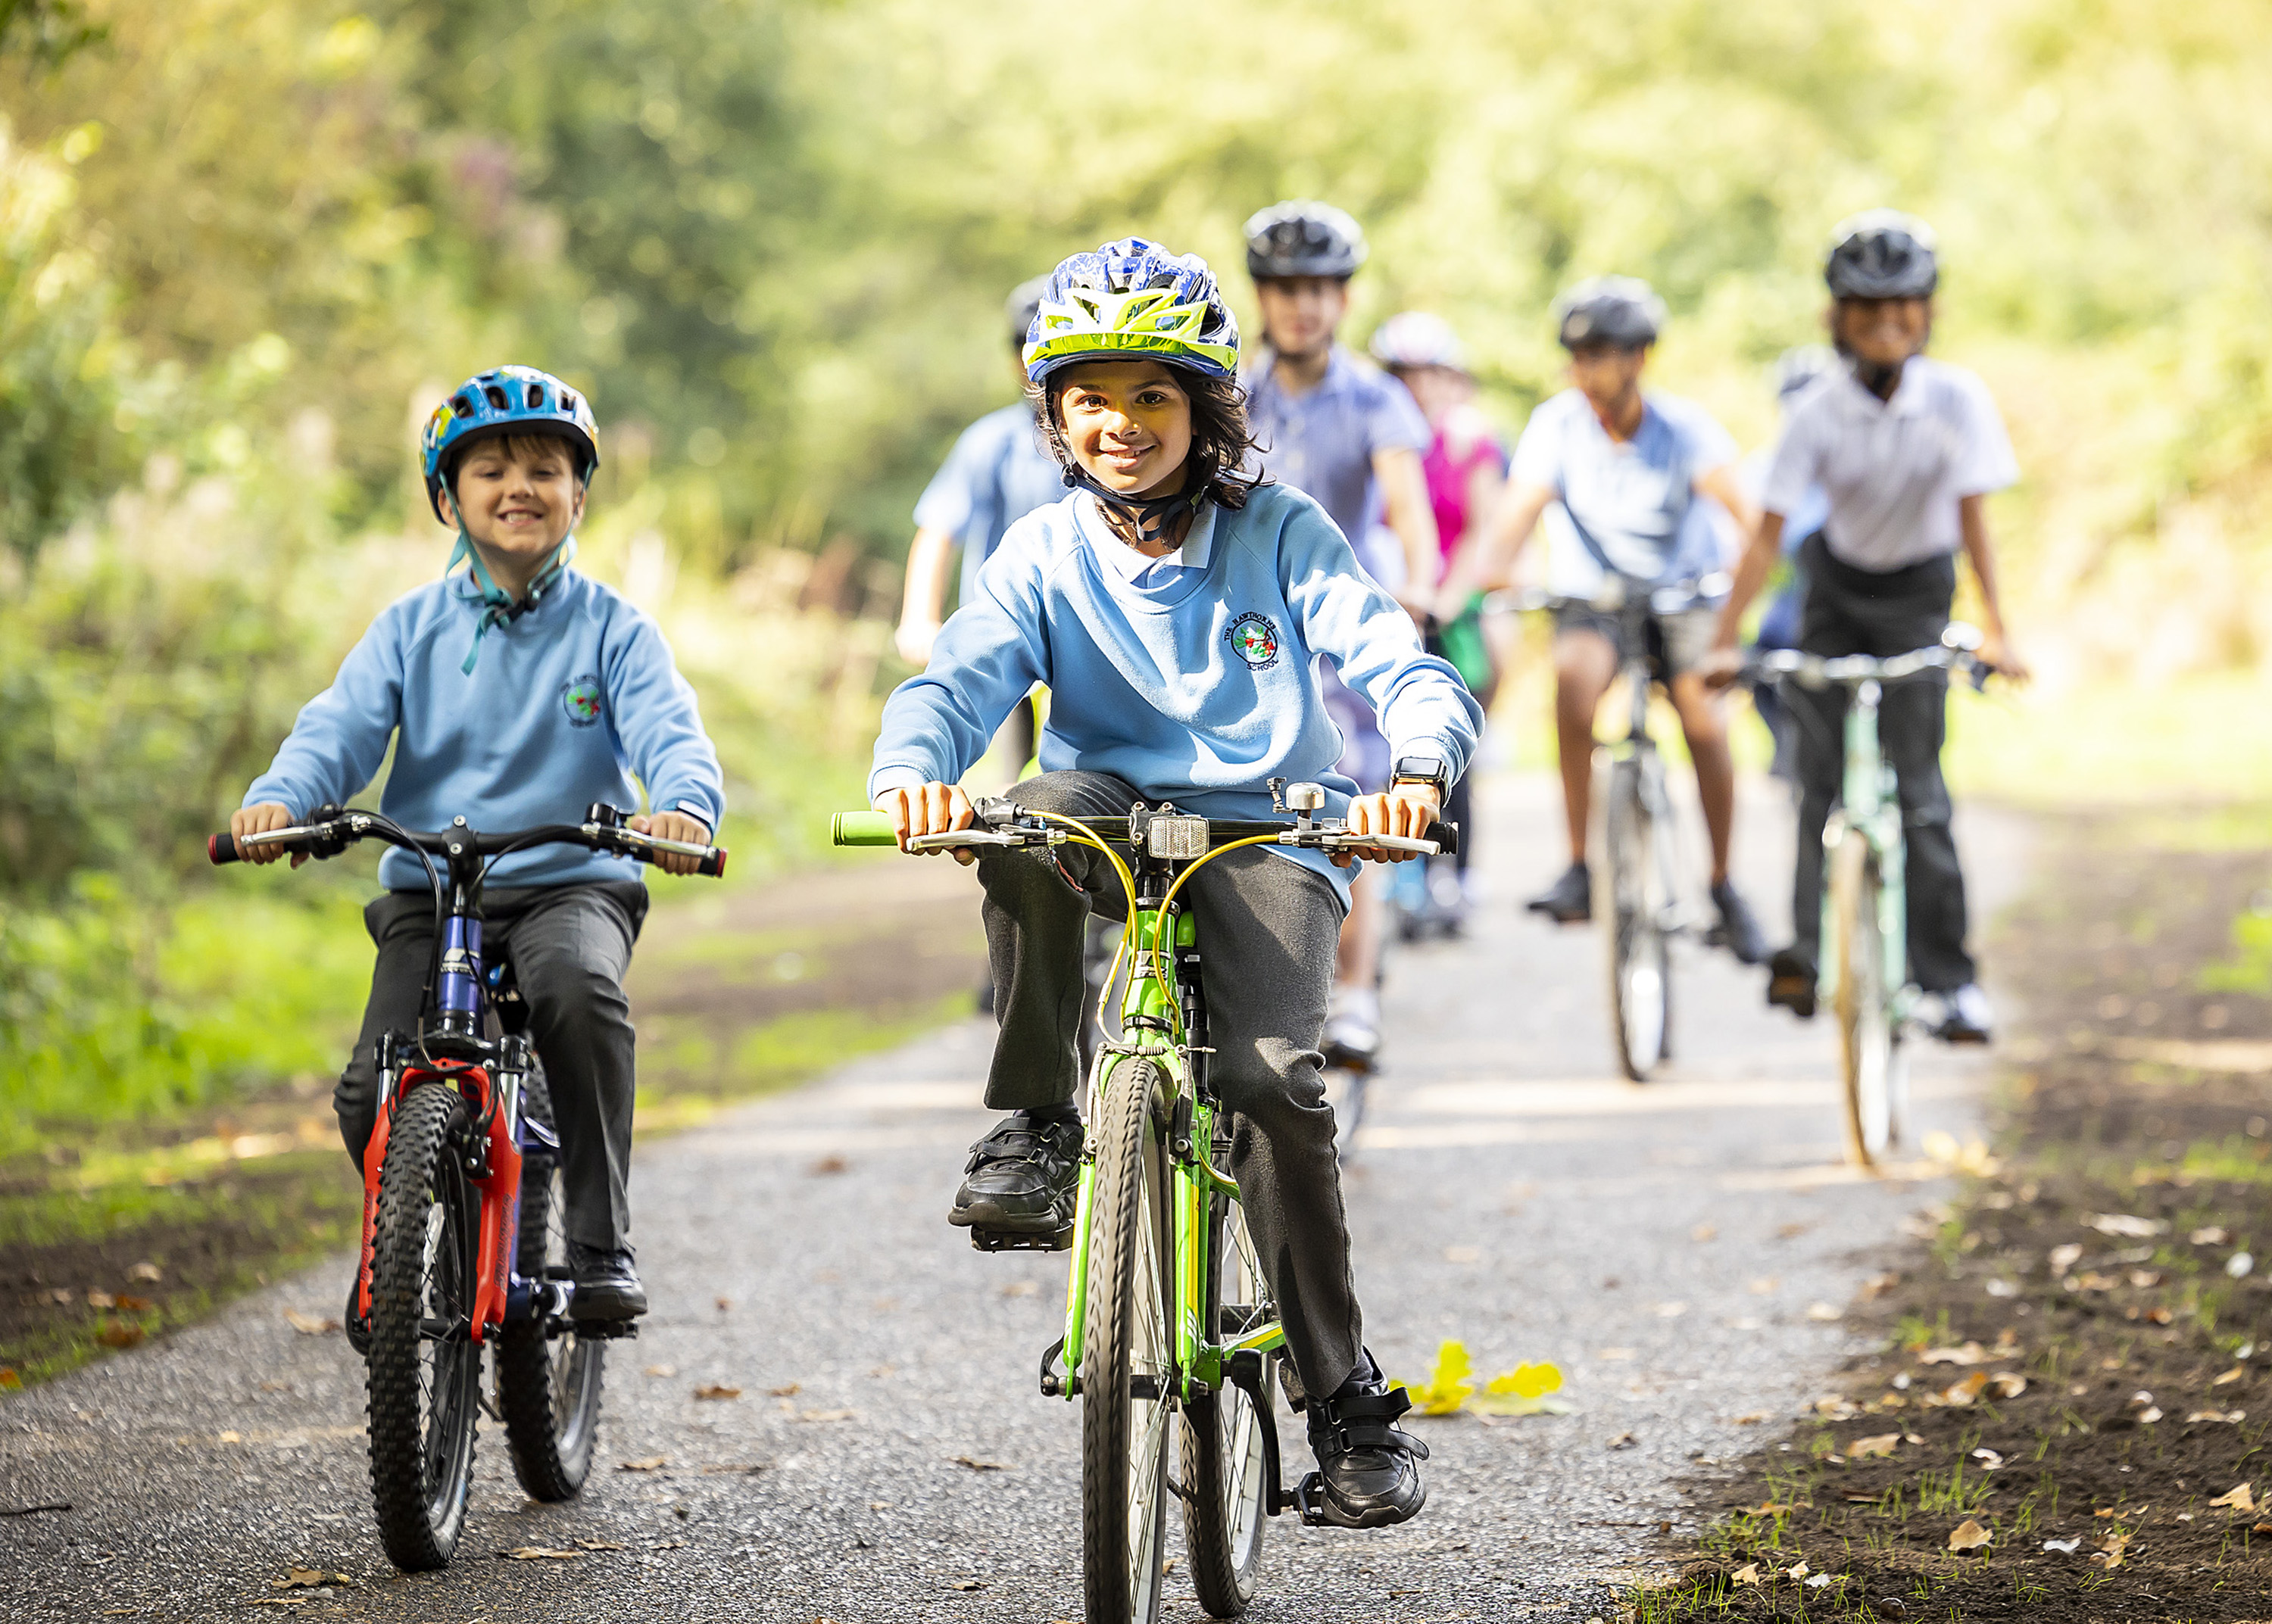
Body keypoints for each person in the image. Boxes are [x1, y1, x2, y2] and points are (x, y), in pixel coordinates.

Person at [869, 238, 1478, 1526]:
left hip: (1269, 830)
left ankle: (1346, 1404)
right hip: (1107, 816)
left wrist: (1417, 771)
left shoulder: (1284, 533)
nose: (1120, 424)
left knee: (1268, 1085)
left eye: (1153, 396)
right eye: (1090, 396)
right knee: (1025, 818)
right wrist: (914, 772)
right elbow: (958, 679)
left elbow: (1397, 657)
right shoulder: (1040, 550)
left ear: (1206, 409)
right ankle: (1036, 1123)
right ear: (1054, 415)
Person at [232, 366, 725, 1333]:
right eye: (491, 469)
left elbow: (671, 734)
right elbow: (339, 728)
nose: (519, 488)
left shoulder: (614, 630)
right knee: (369, 1086)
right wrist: (286, 798)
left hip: (567, 882)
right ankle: (405, 1241)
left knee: (579, 998)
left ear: (579, 495)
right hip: (434, 885)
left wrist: (682, 809)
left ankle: (596, 1246)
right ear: (447, 497)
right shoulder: (408, 630)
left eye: (545, 468)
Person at [1704, 211, 2024, 1042]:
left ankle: (1951, 983)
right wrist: (1726, 640)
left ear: (1929, 312)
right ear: (1835, 317)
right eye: (1867, 307)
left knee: (1920, 797)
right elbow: (1767, 535)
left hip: (1921, 591)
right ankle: (1808, 958)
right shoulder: (1816, 410)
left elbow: (1976, 522)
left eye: (1904, 305)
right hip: (1835, 595)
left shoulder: (1957, 400)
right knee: (1818, 787)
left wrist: (1999, 628)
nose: (1887, 322)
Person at [1474, 277, 1768, 962]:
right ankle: (1580, 864)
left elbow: (1751, 517)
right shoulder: (1557, 424)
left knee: (1705, 719)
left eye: (1601, 353)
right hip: (1594, 601)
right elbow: (1517, 515)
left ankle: (1724, 883)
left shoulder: (1685, 428)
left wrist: (1739, 589)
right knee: (1573, 689)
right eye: (1577, 354)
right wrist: (1496, 567)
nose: (1586, 369)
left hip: (1683, 596)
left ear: (1639, 357)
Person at [1240, 200, 1442, 1064]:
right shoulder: (1228, 391)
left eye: (1320, 288)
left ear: (1344, 299)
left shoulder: (1374, 397)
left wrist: (1419, 593)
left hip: (1342, 624)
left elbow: (1407, 506)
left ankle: (1355, 991)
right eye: (1286, 288)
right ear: (1263, 296)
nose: (1303, 306)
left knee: (1355, 800)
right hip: (1244, 625)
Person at [895, 275, 1067, 772]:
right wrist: (919, 617)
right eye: (1029, 350)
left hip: (1083, 642)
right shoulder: (992, 442)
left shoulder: (1105, 445)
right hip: (1004, 641)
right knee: (1011, 788)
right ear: (1016, 359)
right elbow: (938, 530)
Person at [1370, 310, 1509, 930]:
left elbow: (1484, 529)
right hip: (1384, 599)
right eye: (1406, 375)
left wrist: (1447, 597)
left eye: (1430, 374)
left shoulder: (1469, 443)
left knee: (1455, 739)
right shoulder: (1377, 434)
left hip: (1450, 603)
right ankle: (1395, 876)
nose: (1419, 388)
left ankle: (1456, 872)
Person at [1742, 344, 1839, 781]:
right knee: (1758, 659)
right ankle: (1785, 745)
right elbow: (1747, 544)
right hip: (1791, 595)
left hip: (1850, 593)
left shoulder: (1849, 460)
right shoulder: (1763, 468)